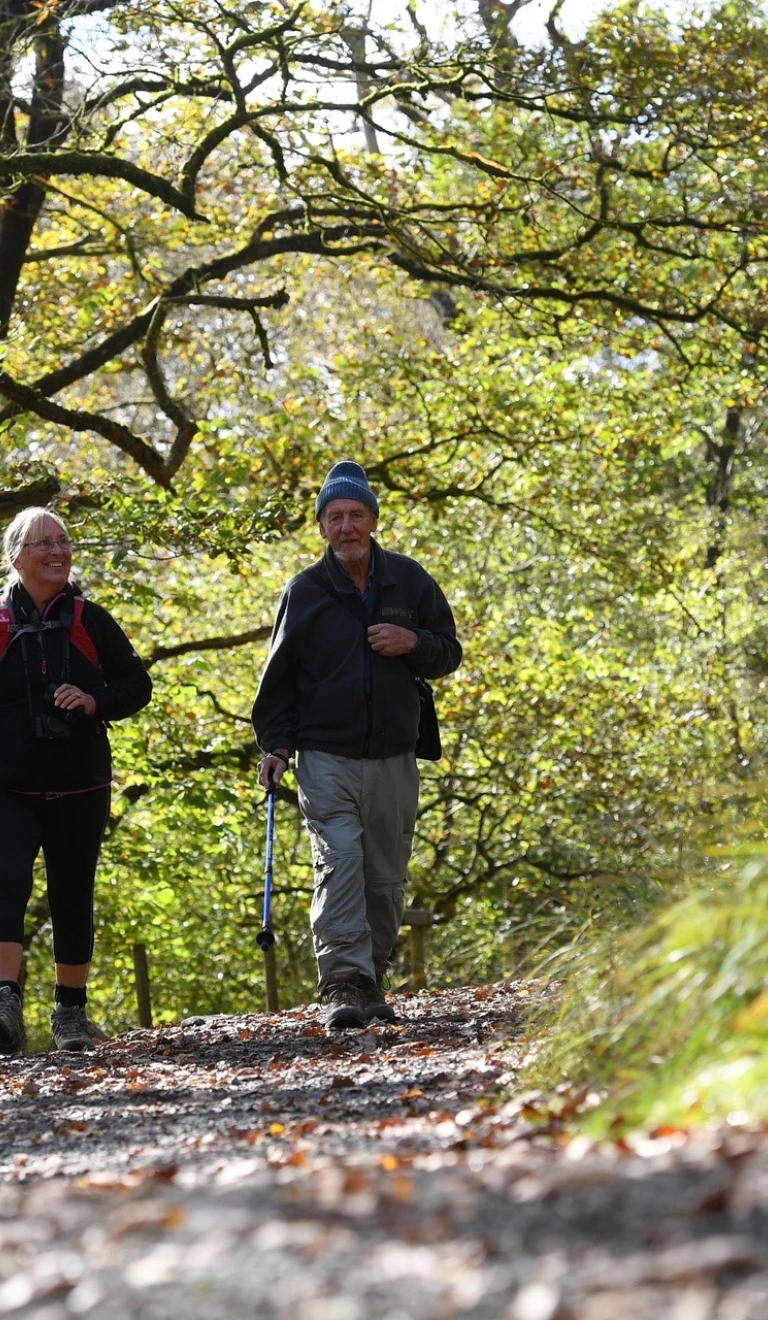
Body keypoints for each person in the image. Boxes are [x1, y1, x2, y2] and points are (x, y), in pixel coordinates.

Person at [252, 461, 461, 1029]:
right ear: (321, 527)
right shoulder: (306, 591)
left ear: (373, 520)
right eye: (334, 516)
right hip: (325, 756)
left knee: (384, 875)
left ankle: (371, 974)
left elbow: (449, 652)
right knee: (340, 860)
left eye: (356, 515)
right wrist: (275, 747)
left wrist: (412, 641)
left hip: (394, 753)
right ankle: (342, 980)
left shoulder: (410, 582)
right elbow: (277, 682)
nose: (346, 526)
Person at [0, 507, 152, 1054]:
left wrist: (93, 701)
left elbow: (137, 685)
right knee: (5, 878)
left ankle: (70, 1014)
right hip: (8, 785)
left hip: (79, 784)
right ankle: (4, 1001)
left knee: (72, 894)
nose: (57, 552)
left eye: (63, 542)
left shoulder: (91, 620)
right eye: (44, 544)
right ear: (16, 556)